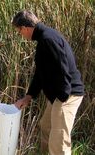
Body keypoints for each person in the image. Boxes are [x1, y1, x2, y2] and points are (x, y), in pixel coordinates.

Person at [12, 10, 84, 155]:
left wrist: (62, 98)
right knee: (46, 127)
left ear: (25, 28)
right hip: (60, 95)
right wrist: (28, 96)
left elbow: (63, 68)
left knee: (59, 142)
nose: (22, 35)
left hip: (68, 94)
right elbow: (41, 73)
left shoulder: (47, 39)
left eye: (20, 31)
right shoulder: (44, 38)